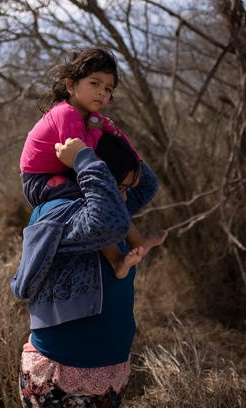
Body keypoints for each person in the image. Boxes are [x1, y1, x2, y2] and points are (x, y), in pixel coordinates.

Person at [11, 133, 159, 407]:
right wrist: (83, 157)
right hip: (61, 375)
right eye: (120, 187)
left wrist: (107, 129)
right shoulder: (58, 212)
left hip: (109, 375)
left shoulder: (111, 212)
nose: (125, 198)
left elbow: (148, 184)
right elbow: (102, 219)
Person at [20, 48, 163, 279]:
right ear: (71, 86)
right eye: (94, 83)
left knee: (113, 191)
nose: (101, 93)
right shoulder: (66, 114)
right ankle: (117, 258)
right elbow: (81, 153)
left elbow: (120, 140)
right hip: (42, 180)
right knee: (89, 198)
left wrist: (136, 163)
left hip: (63, 173)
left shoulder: (91, 117)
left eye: (108, 89)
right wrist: (96, 131)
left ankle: (134, 239)